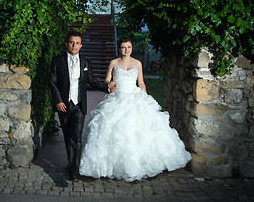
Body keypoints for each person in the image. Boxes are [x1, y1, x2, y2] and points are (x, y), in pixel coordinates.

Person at [79, 37, 192, 182]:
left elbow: (141, 82)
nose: (126, 50)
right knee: (110, 130)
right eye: (123, 47)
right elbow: (107, 80)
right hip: (117, 97)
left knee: (137, 130)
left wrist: (144, 95)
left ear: (132, 48)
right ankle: (111, 166)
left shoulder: (137, 63)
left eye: (129, 47)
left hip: (134, 96)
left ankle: (139, 165)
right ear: (119, 48)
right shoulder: (114, 63)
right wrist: (110, 83)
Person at [48, 31, 116, 182]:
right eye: (72, 42)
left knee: (76, 137)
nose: (74, 45)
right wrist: (58, 101)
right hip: (64, 105)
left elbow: (91, 80)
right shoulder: (57, 60)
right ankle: (70, 163)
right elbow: (52, 82)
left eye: (77, 43)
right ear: (67, 43)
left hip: (79, 105)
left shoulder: (85, 62)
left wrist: (107, 88)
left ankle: (74, 170)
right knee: (67, 136)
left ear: (81, 45)